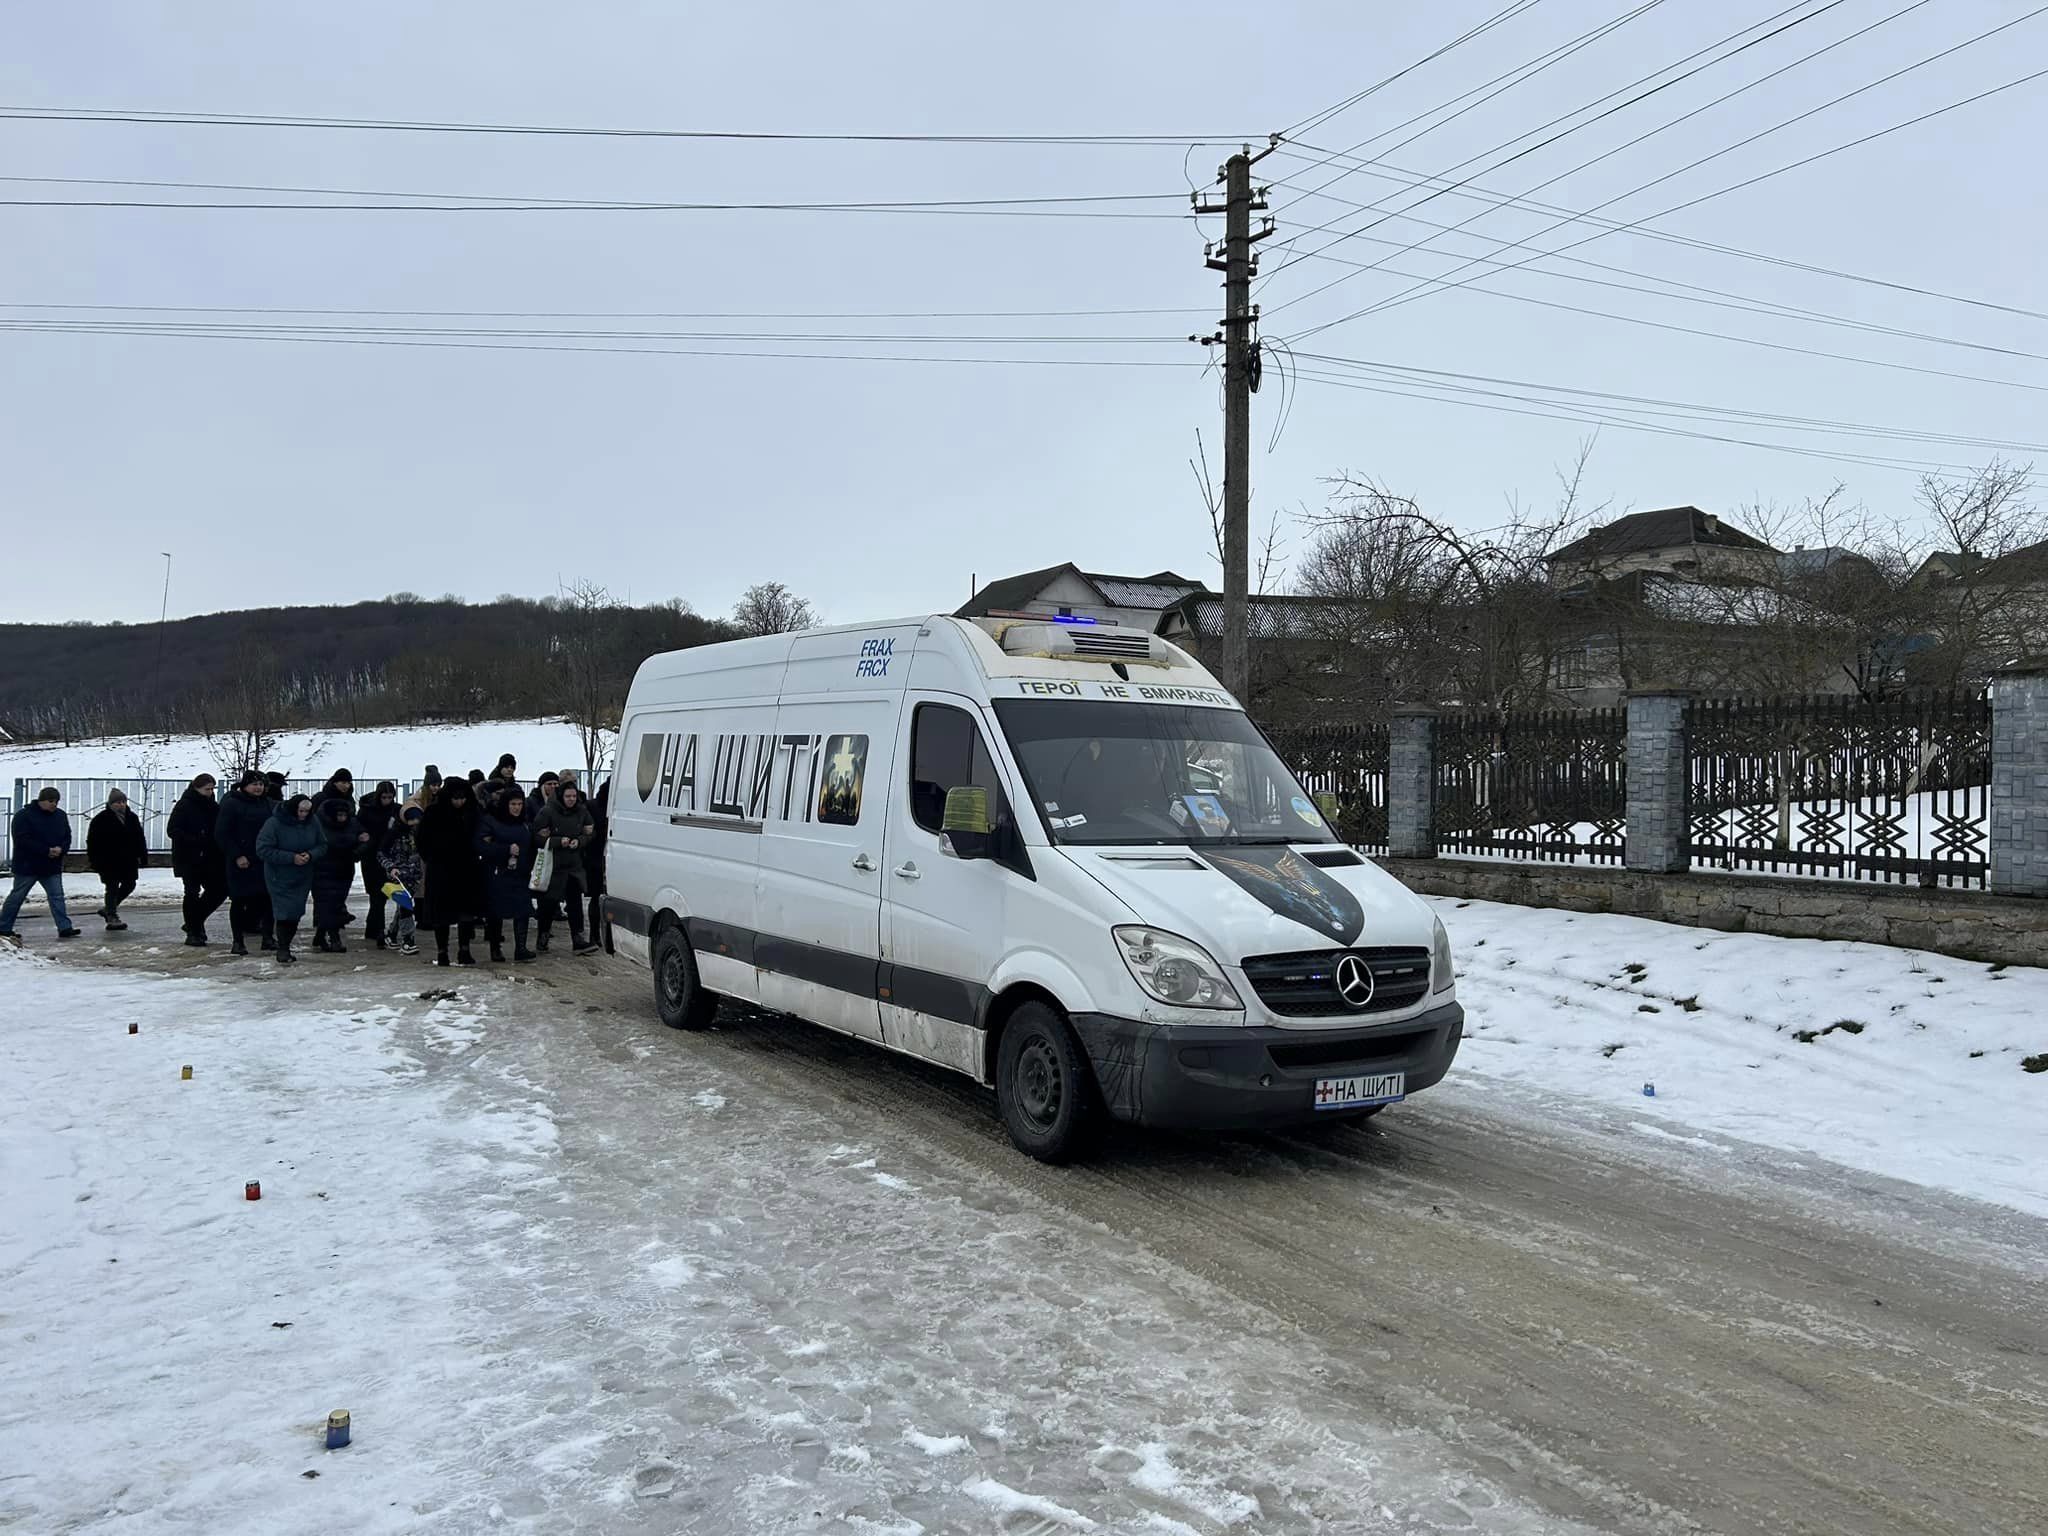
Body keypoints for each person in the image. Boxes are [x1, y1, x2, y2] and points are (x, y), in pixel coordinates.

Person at [0, 787, 81, 943]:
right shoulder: (24, 816)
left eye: (56, 802)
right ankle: (4, 927)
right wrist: (46, 850)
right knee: (17, 896)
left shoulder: (60, 816)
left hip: (51, 865)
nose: (54, 805)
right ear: (41, 800)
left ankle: (64, 927)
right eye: (51, 801)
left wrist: (61, 849)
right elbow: (22, 839)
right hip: (28, 865)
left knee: (57, 896)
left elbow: (67, 836)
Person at [418, 777, 483, 966]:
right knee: (441, 915)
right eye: (455, 798)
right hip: (441, 869)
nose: (459, 802)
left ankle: (464, 950)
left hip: (466, 869)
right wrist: (431, 858)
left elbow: (480, 835)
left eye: (462, 798)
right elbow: (422, 839)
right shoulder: (434, 812)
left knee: (466, 912)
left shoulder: (472, 812)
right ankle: (442, 952)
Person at [254, 794, 321, 965]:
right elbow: (263, 849)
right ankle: (283, 949)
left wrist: (311, 854)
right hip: (279, 875)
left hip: (303, 874)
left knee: (296, 911)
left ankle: (285, 944)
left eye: (307, 811)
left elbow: (323, 844)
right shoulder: (274, 824)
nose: (303, 815)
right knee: (284, 911)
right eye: (301, 811)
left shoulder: (313, 822)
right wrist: (291, 858)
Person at [533, 778, 599, 954]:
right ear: (561, 796)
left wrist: (579, 841)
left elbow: (591, 832)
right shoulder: (548, 812)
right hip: (553, 866)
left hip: (573, 866)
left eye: (573, 796)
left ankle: (578, 939)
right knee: (548, 905)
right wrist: (557, 841)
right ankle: (543, 936)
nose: (571, 799)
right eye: (568, 796)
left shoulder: (581, 811)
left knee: (575, 903)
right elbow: (537, 836)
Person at [214, 770, 276, 954]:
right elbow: (222, 833)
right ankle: (238, 941)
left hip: (264, 859)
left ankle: (268, 937)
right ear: (245, 785)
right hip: (241, 860)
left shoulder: (268, 804)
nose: (258, 788)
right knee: (240, 900)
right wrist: (236, 855)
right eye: (254, 784)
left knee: (267, 900)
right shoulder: (232, 804)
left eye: (261, 784)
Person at [475, 787, 537, 963]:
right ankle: (495, 948)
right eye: (513, 804)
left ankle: (521, 948)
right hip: (498, 873)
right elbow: (481, 846)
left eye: (519, 804)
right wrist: (505, 850)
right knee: (496, 912)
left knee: (523, 911)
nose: (517, 808)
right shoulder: (491, 821)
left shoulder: (524, 823)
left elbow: (530, 845)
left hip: (521, 873)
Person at [167, 773, 227, 947]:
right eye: (206, 789)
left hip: (210, 857)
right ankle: (194, 931)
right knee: (191, 892)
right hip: (189, 857)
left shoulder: (213, 806)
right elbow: (173, 830)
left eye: (212, 789)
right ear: (196, 788)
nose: (210, 792)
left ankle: (194, 922)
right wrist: (195, 839)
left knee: (219, 890)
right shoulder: (184, 805)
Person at [85, 788, 149, 931]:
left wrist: (143, 856)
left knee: (130, 884)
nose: (121, 805)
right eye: (118, 802)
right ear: (111, 804)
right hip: (108, 861)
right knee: (112, 887)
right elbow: (93, 841)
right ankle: (112, 916)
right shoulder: (101, 819)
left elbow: (139, 837)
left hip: (128, 860)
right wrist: (94, 861)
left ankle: (108, 908)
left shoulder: (132, 818)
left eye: (123, 802)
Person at [309, 795, 363, 953]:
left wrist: (355, 853)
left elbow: (365, 839)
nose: (342, 818)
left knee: (336, 903)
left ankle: (320, 934)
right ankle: (334, 938)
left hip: (344, 870)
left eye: (344, 815)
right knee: (328, 905)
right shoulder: (318, 824)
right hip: (322, 869)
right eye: (339, 815)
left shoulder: (352, 824)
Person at [357, 781, 404, 947]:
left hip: (388, 857)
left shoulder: (396, 810)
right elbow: (359, 827)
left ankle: (376, 930)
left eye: (390, 797)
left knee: (382, 895)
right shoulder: (367, 810)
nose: (387, 800)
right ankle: (376, 929)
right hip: (370, 857)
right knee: (375, 894)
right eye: (384, 797)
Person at [378, 806, 426, 957]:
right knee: (406, 906)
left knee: (403, 906)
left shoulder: (421, 834)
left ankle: (391, 935)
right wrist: (391, 867)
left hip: (414, 875)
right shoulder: (394, 834)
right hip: (397, 875)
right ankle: (408, 940)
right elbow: (381, 853)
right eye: (412, 822)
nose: (414, 825)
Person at [586, 776, 612, 954]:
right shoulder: (594, 806)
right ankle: (594, 934)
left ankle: (601, 935)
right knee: (596, 898)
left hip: (607, 857)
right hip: (596, 857)